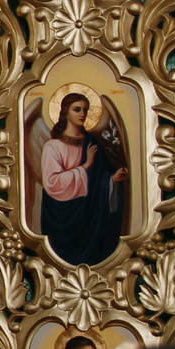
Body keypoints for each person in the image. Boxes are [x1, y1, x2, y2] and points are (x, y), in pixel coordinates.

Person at [39, 90, 124, 266]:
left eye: (86, 110)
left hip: (90, 216)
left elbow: (102, 177)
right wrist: (85, 167)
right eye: (77, 109)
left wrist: (112, 180)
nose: (83, 114)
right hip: (60, 216)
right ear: (65, 113)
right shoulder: (52, 147)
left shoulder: (92, 142)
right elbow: (52, 183)